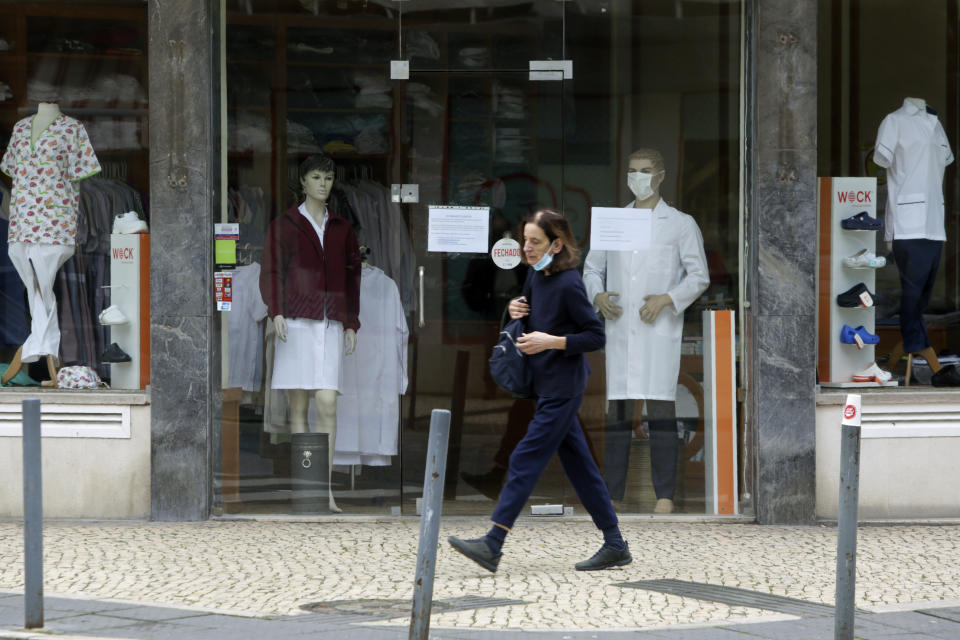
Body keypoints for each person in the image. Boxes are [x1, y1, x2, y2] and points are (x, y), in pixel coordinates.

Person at [448, 209, 630, 573]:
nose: (526, 248)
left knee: (524, 458)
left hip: (564, 387)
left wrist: (552, 341)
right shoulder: (535, 276)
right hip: (544, 384)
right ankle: (615, 544)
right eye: (525, 240)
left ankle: (493, 543)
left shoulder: (569, 283)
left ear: (557, 244)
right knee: (581, 467)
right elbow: (532, 315)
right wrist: (515, 309)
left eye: (535, 241)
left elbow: (595, 335)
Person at [583, 148, 709, 514]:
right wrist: (599, 294)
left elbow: (698, 275)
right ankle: (613, 492)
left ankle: (664, 494)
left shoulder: (680, 223)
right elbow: (592, 268)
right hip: (621, 328)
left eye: (646, 171)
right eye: (632, 171)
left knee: (661, 412)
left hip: (658, 331)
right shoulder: (614, 220)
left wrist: (667, 299)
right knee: (619, 414)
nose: (638, 177)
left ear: (661, 175)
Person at [259, 153, 362, 513]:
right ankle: (307, 488)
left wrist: (351, 322)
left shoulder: (342, 228)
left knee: (327, 402)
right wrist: (276, 311)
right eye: (316, 177)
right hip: (296, 325)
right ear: (302, 182)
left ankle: (326, 487)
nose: (323, 184)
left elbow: (352, 278)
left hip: (330, 323)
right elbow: (271, 271)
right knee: (299, 405)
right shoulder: (284, 224)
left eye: (328, 178)